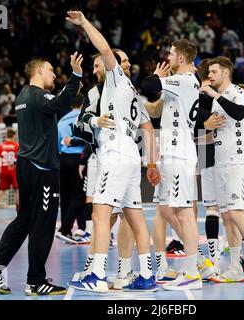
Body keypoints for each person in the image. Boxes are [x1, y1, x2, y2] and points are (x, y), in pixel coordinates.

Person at [66, 11, 160, 293]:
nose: (101, 64)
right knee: (135, 216)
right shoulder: (132, 92)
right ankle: (145, 275)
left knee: (100, 212)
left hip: (115, 152)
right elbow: (148, 128)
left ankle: (96, 275)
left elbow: (106, 49)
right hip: (131, 155)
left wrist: (84, 24)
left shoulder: (117, 77)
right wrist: (151, 162)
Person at [0, 49, 84, 295]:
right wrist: (76, 75)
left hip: (26, 165)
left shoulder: (23, 96)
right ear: (38, 71)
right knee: (44, 225)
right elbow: (59, 103)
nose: (54, 75)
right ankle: (36, 281)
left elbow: (56, 106)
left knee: (24, 220)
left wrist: (68, 92)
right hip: (42, 168)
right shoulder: (37, 94)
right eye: (50, 70)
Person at [141, 39, 204, 290]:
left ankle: (191, 271)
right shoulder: (180, 85)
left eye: (171, 53)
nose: (168, 57)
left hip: (179, 154)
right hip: (170, 153)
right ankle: (192, 261)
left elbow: (148, 83)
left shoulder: (185, 80)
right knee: (167, 209)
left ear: (181, 58)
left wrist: (156, 76)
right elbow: (156, 110)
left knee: (183, 213)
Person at [199, 57, 244, 282]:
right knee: (228, 216)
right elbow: (203, 125)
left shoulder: (237, 92)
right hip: (221, 162)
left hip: (238, 162)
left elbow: (239, 113)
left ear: (225, 73)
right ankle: (236, 268)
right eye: (209, 72)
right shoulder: (216, 99)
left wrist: (213, 94)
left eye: (214, 72)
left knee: (238, 212)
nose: (210, 76)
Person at [55, 92, 89, 245]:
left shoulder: (61, 120)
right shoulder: (84, 117)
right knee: (80, 196)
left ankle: (79, 228)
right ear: (83, 103)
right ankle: (65, 228)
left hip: (63, 159)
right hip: (79, 159)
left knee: (66, 196)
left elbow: (57, 144)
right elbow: (88, 139)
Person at [0, 129, 19, 214]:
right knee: (17, 191)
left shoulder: (1, 146)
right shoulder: (16, 145)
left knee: (1, 191)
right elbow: (19, 159)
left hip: (4, 169)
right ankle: (19, 212)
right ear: (14, 136)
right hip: (13, 169)